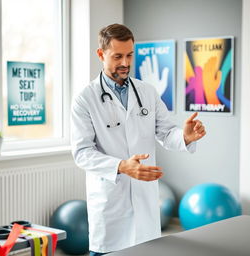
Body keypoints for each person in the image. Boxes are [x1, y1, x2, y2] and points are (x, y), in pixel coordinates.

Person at [71, 23, 206, 256]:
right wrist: (122, 166)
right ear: (101, 54)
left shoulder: (146, 92)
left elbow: (166, 132)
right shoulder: (85, 99)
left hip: (144, 203)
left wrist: (184, 136)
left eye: (130, 55)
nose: (125, 63)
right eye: (118, 56)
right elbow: (82, 152)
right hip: (110, 203)